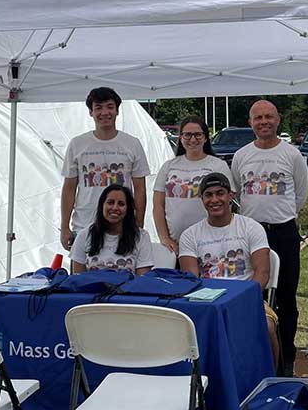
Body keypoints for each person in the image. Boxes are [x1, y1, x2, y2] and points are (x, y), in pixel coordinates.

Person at [230, 99, 308, 372]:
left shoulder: (292, 154)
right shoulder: (241, 155)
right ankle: (253, 351)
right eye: (257, 118)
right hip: (251, 234)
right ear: (250, 122)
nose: (263, 122)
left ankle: (286, 357)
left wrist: (280, 215)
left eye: (268, 117)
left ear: (278, 120)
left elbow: (300, 195)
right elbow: (237, 191)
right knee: (252, 294)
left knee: (287, 296)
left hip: (284, 232)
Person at [178, 172, 279, 367]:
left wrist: (238, 302)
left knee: (266, 327)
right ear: (202, 199)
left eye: (220, 193)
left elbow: (262, 274)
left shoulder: (251, 227)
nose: (214, 200)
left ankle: (271, 379)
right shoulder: (190, 235)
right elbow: (191, 279)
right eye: (208, 195)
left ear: (231, 196)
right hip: (207, 304)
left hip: (247, 299)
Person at [61, 87, 149, 251]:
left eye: (109, 107)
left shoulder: (132, 144)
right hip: (85, 225)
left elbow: (140, 188)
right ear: (91, 112)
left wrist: (138, 224)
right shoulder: (77, 144)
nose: (104, 112)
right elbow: (69, 188)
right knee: (82, 275)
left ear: (117, 111)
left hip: (123, 226)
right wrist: (65, 226)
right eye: (98, 108)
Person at [152, 116, 231, 256]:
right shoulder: (168, 166)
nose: (193, 139)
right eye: (187, 134)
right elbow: (158, 206)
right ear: (181, 137)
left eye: (198, 134)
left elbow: (227, 205)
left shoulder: (218, 165)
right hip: (175, 245)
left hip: (210, 243)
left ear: (206, 138)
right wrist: (164, 238)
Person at [69, 184, 153, 275]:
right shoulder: (84, 235)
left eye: (121, 204)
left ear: (128, 209)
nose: (115, 208)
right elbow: (77, 280)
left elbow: (142, 281)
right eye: (110, 202)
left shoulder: (142, 237)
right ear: (102, 205)